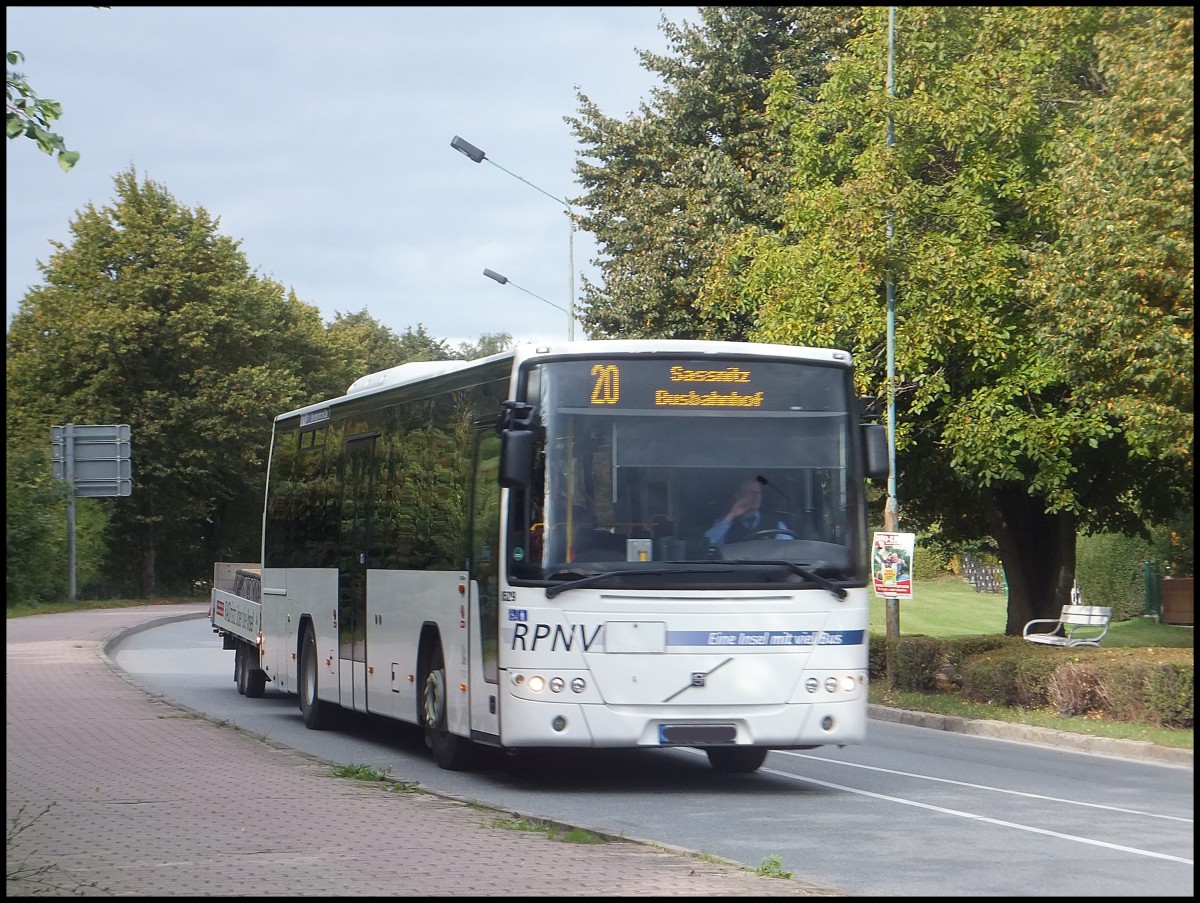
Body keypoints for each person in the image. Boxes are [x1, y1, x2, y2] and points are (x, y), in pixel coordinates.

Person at [704, 477, 791, 546]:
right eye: (750, 493)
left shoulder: (775, 524)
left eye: (759, 493)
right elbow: (708, 544)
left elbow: (787, 549)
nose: (756, 497)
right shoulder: (725, 524)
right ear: (738, 495)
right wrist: (731, 515)